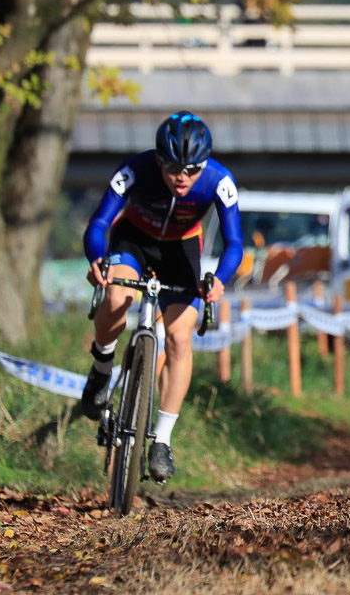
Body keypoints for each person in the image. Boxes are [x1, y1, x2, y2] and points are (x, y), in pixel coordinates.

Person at [80, 111, 243, 483]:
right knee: (118, 297)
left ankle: (162, 440)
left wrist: (219, 279)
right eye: (172, 168)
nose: (182, 177)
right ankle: (102, 367)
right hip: (134, 240)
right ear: (158, 160)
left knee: (180, 338)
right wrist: (96, 260)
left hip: (181, 251)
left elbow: (234, 242)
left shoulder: (220, 182)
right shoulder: (135, 170)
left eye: (191, 170)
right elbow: (100, 223)